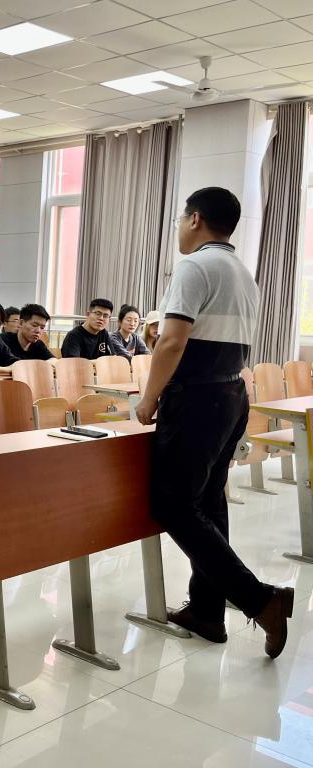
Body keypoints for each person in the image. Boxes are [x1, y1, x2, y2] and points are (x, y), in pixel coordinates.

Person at [134, 187, 291, 657]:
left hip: (197, 398)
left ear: (196, 219)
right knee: (208, 501)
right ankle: (206, 611)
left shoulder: (194, 266)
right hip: (231, 394)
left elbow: (172, 342)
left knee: (172, 504)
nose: (179, 228)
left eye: (181, 219)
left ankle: (259, 598)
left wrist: (149, 397)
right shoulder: (243, 273)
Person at [59, 298, 127, 360]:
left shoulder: (103, 333)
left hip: (100, 369)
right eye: (98, 314)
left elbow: (112, 358)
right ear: (88, 314)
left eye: (105, 316)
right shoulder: (73, 336)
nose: (101, 318)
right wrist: (100, 362)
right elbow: (73, 363)